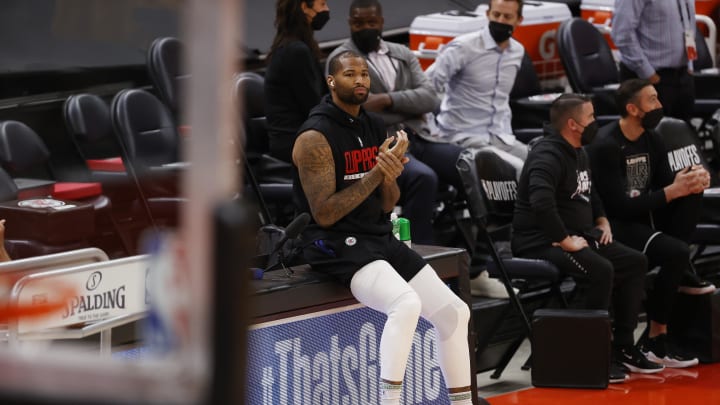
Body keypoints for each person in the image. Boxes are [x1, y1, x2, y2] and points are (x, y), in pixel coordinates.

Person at [292, 50, 484, 405]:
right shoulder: (314, 138)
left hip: (376, 234)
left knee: (455, 312)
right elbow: (324, 214)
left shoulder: (372, 124)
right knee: (406, 304)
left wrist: (390, 176)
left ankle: (462, 402)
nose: (361, 80)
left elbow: (385, 201)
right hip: (333, 242)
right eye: (350, 74)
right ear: (332, 82)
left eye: (364, 73)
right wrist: (376, 174)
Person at [326, 0, 512, 297]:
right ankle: (421, 267)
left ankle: (478, 267)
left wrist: (387, 100)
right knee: (423, 178)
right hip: (384, 144)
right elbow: (361, 110)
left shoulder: (400, 53)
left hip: (423, 136)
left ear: (381, 21)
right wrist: (404, 104)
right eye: (359, 23)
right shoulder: (342, 59)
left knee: (471, 164)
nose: (366, 28)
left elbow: (431, 98)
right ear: (349, 24)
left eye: (371, 22)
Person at [512, 94, 663, 382]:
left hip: (579, 234)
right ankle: (594, 351)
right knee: (601, 270)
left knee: (635, 262)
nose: (596, 122)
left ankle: (623, 346)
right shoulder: (547, 155)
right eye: (591, 117)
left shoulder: (579, 150)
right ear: (573, 124)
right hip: (540, 240)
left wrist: (601, 219)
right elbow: (541, 203)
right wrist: (564, 239)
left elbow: (590, 193)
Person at [588, 79, 715, 368]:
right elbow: (618, 206)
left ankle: (680, 271)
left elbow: (662, 186)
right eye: (653, 100)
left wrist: (690, 178)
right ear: (633, 109)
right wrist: (673, 190)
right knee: (676, 252)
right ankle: (657, 338)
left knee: (691, 194)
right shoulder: (607, 146)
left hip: (643, 217)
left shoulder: (652, 137)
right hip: (614, 225)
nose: (660, 105)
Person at [426, 0, 528, 175]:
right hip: (463, 136)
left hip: (501, 136)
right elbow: (425, 88)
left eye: (507, 16)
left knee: (545, 163)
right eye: (496, 15)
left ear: (519, 20)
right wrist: (430, 131)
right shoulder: (463, 47)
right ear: (487, 14)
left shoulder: (517, 51)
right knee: (516, 170)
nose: (501, 21)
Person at [265, 0, 330, 163]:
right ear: (304, 8)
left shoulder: (292, 46)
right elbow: (314, 107)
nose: (327, 9)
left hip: (301, 137)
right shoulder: (296, 51)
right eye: (322, 4)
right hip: (295, 142)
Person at [612, 0, 696, 122]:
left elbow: (687, 24)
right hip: (648, 78)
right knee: (649, 136)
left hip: (682, 76)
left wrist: (690, 65)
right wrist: (648, 73)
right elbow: (623, 34)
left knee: (682, 136)